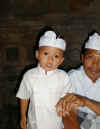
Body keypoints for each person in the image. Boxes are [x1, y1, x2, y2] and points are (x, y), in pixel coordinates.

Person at [16, 27, 72, 129]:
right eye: (46, 54)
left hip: (56, 123)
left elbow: (67, 97)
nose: (50, 59)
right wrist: (23, 116)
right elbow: (24, 96)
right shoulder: (29, 76)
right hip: (34, 123)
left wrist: (64, 104)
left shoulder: (64, 77)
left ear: (61, 60)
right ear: (37, 54)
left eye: (56, 56)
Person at [56, 32, 100, 129]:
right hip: (78, 122)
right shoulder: (72, 78)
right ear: (82, 58)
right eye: (91, 57)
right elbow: (67, 114)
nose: (95, 64)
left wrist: (85, 101)